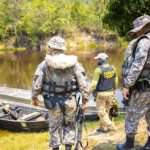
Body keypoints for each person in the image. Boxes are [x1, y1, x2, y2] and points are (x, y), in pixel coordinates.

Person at [31, 36, 89, 150]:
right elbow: (82, 84)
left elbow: (37, 84)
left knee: (54, 127)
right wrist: (85, 100)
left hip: (53, 102)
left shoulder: (45, 63)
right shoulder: (74, 63)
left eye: (49, 46)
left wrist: (34, 97)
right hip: (70, 100)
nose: (48, 48)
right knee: (70, 125)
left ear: (53, 48)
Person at [116, 15, 150, 150]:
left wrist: (127, 85)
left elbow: (138, 65)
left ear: (142, 29)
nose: (136, 33)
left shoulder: (144, 42)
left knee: (132, 115)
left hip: (143, 88)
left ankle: (128, 146)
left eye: (137, 30)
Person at [88, 53, 118, 133]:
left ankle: (111, 127)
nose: (97, 60)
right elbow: (116, 81)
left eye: (97, 59)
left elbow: (93, 84)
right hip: (110, 93)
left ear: (101, 60)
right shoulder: (113, 68)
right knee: (106, 111)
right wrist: (115, 89)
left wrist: (88, 92)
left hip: (101, 94)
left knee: (101, 112)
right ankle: (102, 127)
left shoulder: (98, 70)